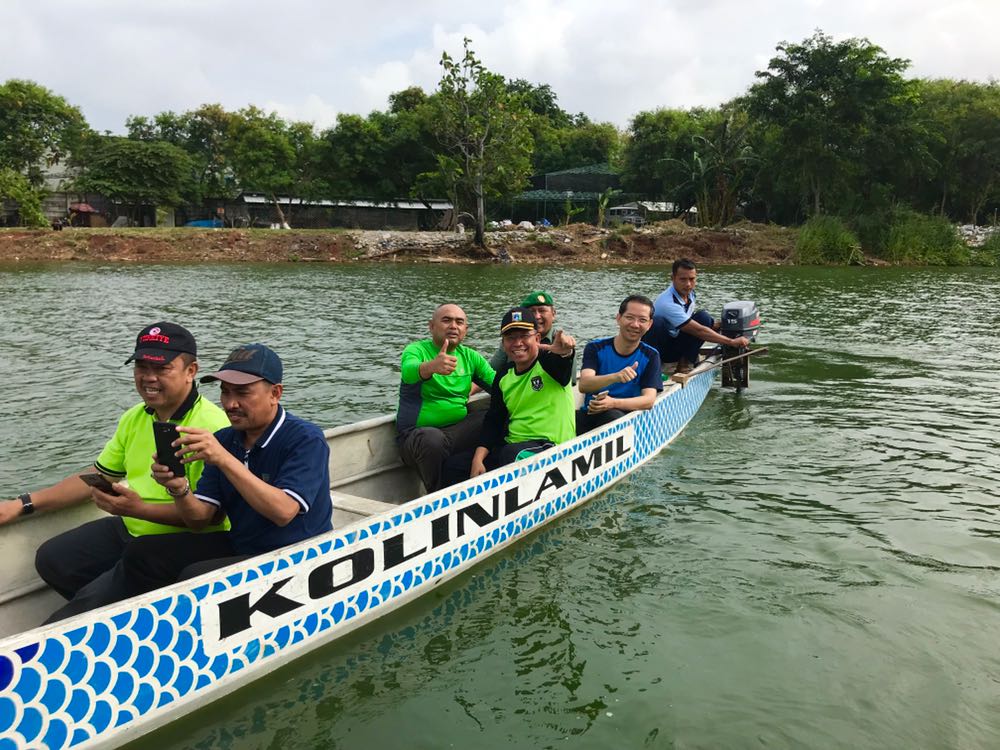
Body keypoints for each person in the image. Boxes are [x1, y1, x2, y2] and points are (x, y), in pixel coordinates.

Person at [0, 322, 230, 623]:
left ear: (191, 371)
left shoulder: (215, 427)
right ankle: (127, 613)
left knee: (78, 611)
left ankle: (105, 614)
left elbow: (212, 517)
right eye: (141, 367)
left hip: (187, 540)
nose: (148, 377)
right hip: (133, 526)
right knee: (54, 559)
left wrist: (139, 509)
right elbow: (100, 473)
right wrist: (23, 504)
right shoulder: (134, 418)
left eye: (161, 368)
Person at [126, 343, 333, 591]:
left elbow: (283, 512)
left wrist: (224, 459)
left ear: (275, 394)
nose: (230, 404)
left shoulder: (305, 438)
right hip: (242, 544)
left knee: (195, 577)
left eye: (242, 393)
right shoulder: (226, 438)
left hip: (298, 556)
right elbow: (200, 519)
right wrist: (178, 487)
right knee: (143, 552)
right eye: (225, 392)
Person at [396, 303, 496, 492]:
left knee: (497, 415)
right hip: (417, 437)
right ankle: (437, 493)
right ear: (431, 326)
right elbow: (409, 372)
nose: (453, 326)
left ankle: (488, 474)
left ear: (465, 329)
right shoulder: (416, 350)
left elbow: (500, 386)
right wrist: (431, 366)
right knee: (430, 438)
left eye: (459, 322)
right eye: (446, 320)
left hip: (457, 432)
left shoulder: (470, 357)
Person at [469, 308, 577, 476]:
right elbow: (494, 419)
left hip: (552, 447)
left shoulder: (549, 363)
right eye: (511, 338)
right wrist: (478, 458)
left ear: (537, 338)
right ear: (503, 344)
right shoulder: (504, 375)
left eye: (524, 336)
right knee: (454, 465)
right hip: (515, 446)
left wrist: (566, 353)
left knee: (510, 454)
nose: (518, 343)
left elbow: (563, 368)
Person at [643, 258, 750, 372]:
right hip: (661, 350)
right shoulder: (667, 303)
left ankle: (685, 362)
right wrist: (731, 342)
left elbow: (693, 321)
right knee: (657, 321)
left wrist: (725, 326)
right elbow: (698, 330)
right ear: (673, 278)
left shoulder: (690, 294)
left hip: (675, 339)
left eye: (692, 279)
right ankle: (654, 367)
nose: (688, 284)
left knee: (704, 317)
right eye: (683, 279)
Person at [576, 295, 664, 434]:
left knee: (612, 416)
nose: (635, 324)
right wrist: (616, 377)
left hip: (623, 417)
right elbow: (584, 385)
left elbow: (648, 400)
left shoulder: (651, 355)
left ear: (649, 325)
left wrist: (613, 403)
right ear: (618, 318)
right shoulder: (595, 347)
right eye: (629, 317)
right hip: (591, 413)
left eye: (642, 320)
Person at [489, 290, 559, 371]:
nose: (537, 316)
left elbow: (567, 377)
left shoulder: (560, 342)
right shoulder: (510, 343)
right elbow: (491, 371)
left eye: (542, 310)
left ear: (553, 314)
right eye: (532, 311)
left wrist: (566, 354)